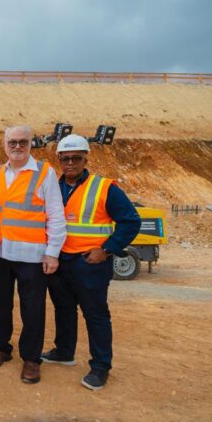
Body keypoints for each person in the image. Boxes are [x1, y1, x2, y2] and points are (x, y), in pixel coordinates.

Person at [42, 134, 140, 390]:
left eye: (76, 158)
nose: (70, 163)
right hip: (60, 261)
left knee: (95, 315)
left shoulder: (105, 187)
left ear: (86, 158)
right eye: (65, 158)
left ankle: (100, 367)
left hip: (90, 263)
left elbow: (131, 221)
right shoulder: (53, 185)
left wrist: (107, 249)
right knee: (63, 309)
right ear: (59, 160)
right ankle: (64, 352)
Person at [0, 125, 66, 384]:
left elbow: (55, 214)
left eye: (22, 142)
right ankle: (3, 348)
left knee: (32, 308)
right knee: (1, 305)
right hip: (1, 253)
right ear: (4, 145)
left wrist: (52, 253)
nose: (17, 147)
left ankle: (31, 358)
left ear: (31, 143)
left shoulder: (45, 173)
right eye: (12, 142)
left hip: (31, 255)